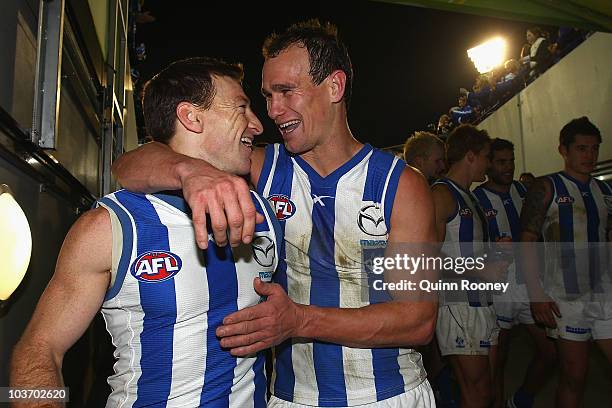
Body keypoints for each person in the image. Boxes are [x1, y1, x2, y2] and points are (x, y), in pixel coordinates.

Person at [112, 19, 438, 407]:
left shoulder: (400, 185)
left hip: (391, 395)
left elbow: (418, 320)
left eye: (286, 92)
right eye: (267, 95)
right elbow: (128, 166)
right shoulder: (261, 169)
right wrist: (190, 171)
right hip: (291, 398)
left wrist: (299, 320)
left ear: (334, 86)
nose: (273, 110)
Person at [10, 57, 282, 406]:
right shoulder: (112, 226)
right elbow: (37, 348)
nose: (257, 124)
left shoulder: (264, 213)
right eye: (242, 108)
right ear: (191, 117)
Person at [520, 116, 612, 408]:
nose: (590, 156)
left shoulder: (606, 192)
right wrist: (536, 294)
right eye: (582, 148)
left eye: (595, 148)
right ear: (564, 150)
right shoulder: (547, 187)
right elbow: (526, 242)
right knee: (575, 377)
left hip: (605, 293)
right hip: (566, 298)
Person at [473, 138, 556, 408]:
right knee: (499, 356)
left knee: (551, 351)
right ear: (488, 165)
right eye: (501, 162)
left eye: (511, 161)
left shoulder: (526, 191)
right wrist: (491, 249)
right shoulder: (477, 199)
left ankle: (521, 398)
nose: (508, 167)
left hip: (529, 281)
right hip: (500, 286)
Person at [431, 125, 509, 408]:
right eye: (487, 156)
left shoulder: (470, 195)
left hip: (483, 303)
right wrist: (480, 270)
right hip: (457, 305)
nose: (489, 163)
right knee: (475, 394)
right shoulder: (441, 195)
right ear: (471, 156)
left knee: (486, 392)